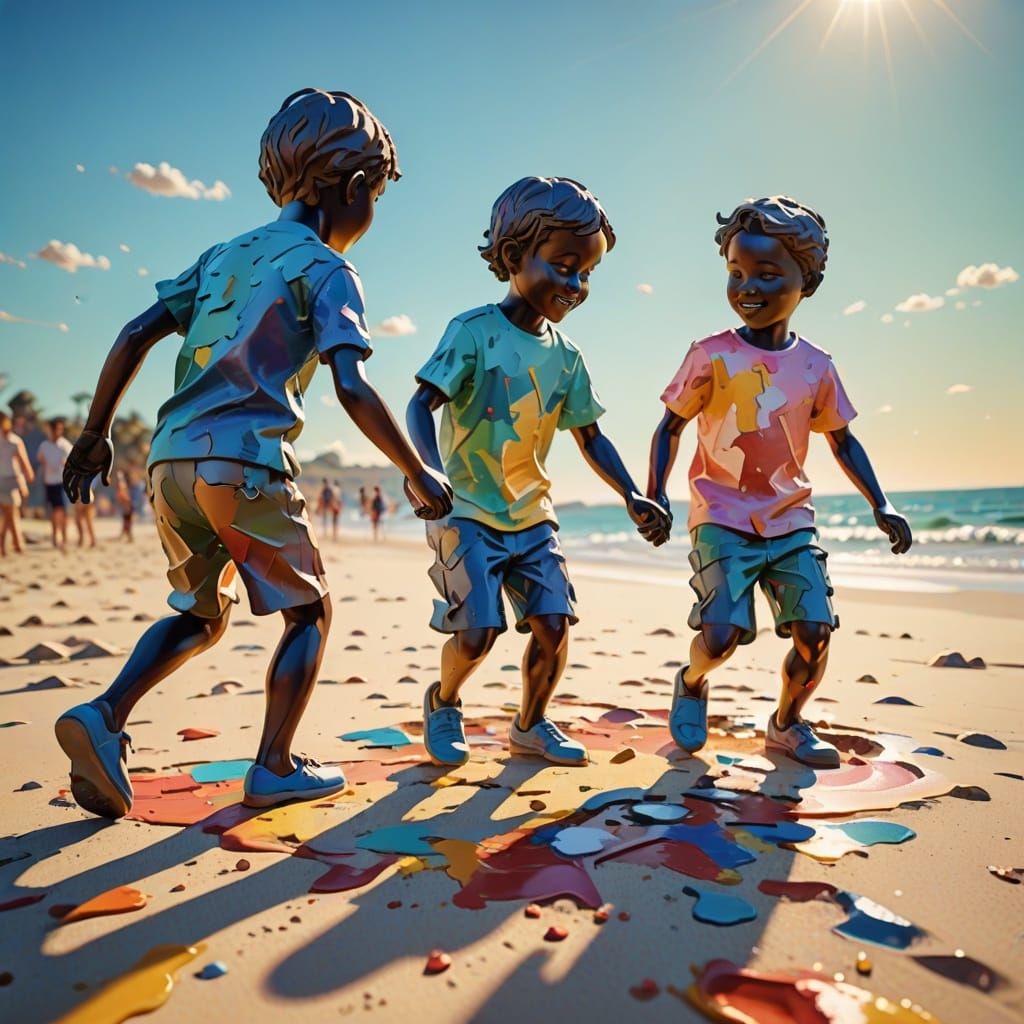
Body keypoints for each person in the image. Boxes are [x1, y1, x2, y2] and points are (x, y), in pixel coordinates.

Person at [56, 88, 451, 820]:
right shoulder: (329, 270)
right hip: (243, 464)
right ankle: (273, 766)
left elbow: (136, 332)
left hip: (169, 463)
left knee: (202, 613)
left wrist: (95, 433)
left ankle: (105, 717)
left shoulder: (224, 254)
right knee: (309, 612)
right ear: (358, 189)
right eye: (377, 199)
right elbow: (352, 384)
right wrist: (415, 468)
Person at [407, 176, 669, 768]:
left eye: (587, 274)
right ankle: (444, 700)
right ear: (511, 257)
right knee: (476, 633)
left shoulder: (567, 355)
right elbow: (422, 404)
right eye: (563, 266)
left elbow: (590, 435)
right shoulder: (472, 332)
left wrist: (631, 494)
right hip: (466, 511)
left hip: (533, 516)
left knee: (554, 624)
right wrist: (425, 469)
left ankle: (530, 724)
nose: (575, 285)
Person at [647, 195, 913, 768]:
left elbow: (842, 439)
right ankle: (692, 681)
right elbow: (669, 427)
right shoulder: (710, 355)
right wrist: (655, 492)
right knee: (721, 636)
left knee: (815, 632)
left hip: (791, 520)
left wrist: (881, 503)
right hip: (720, 518)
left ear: (806, 281)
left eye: (768, 275)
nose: (748, 287)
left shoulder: (816, 365)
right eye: (737, 273)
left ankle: (788, 723)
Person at [38, 417, 73, 550]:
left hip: (62, 482)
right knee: (54, 511)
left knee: (62, 511)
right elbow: (40, 459)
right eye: (57, 428)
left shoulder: (65, 445)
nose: (59, 431)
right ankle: (55, 537)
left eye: (60, 428)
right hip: (49, 482)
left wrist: (65, 463)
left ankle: (64, 538)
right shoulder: (44, 445)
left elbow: (72, 462)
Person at [0, 414, 33, 557]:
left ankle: (13, 543)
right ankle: (15, 543)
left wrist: (26, 478)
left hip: (12, 480)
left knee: (11, 512)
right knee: (10, 513)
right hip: (2, 480)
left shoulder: (15, 441)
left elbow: (23, 461)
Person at [115, 469, 134, 542]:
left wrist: (126, 505)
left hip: (127, 507)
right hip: (127, 506)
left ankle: (127, 537)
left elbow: (124, 496)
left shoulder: (121, 484)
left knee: (127, 523)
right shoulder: (121, 484)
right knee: (126, 522)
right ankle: (127, 537)